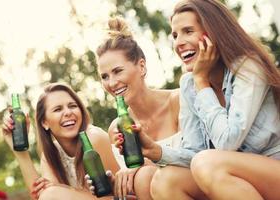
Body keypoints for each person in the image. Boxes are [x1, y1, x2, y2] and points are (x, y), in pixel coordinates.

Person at [114, 0, 280, 199]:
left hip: (272, 167)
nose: (179, 43)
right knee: (165, 181)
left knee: (206, 163)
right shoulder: (188, 84)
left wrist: (202, 82)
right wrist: (154, 150)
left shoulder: (248, 67)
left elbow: (227, 143)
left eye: (188, 31)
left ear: (213, 33)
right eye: (175, 35)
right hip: (229, 176)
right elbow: (195, 152)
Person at [95, 16, 181, 199]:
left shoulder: (178, 101)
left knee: (144, 175)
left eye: (118, 71)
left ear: (141, 66)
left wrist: (144, 167)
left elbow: (197, 159)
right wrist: (116, 185)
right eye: (104, 76)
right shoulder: (116, 128)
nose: (112, 83)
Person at [2, 83, 119, 200]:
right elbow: (39, 195)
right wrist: (18, 150)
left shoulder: (95, 138)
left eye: (72, 106)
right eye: (58, 109)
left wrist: (59, 189)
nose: (68, 112)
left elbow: (111, 196)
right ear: (44, 123)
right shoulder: (52, 154)